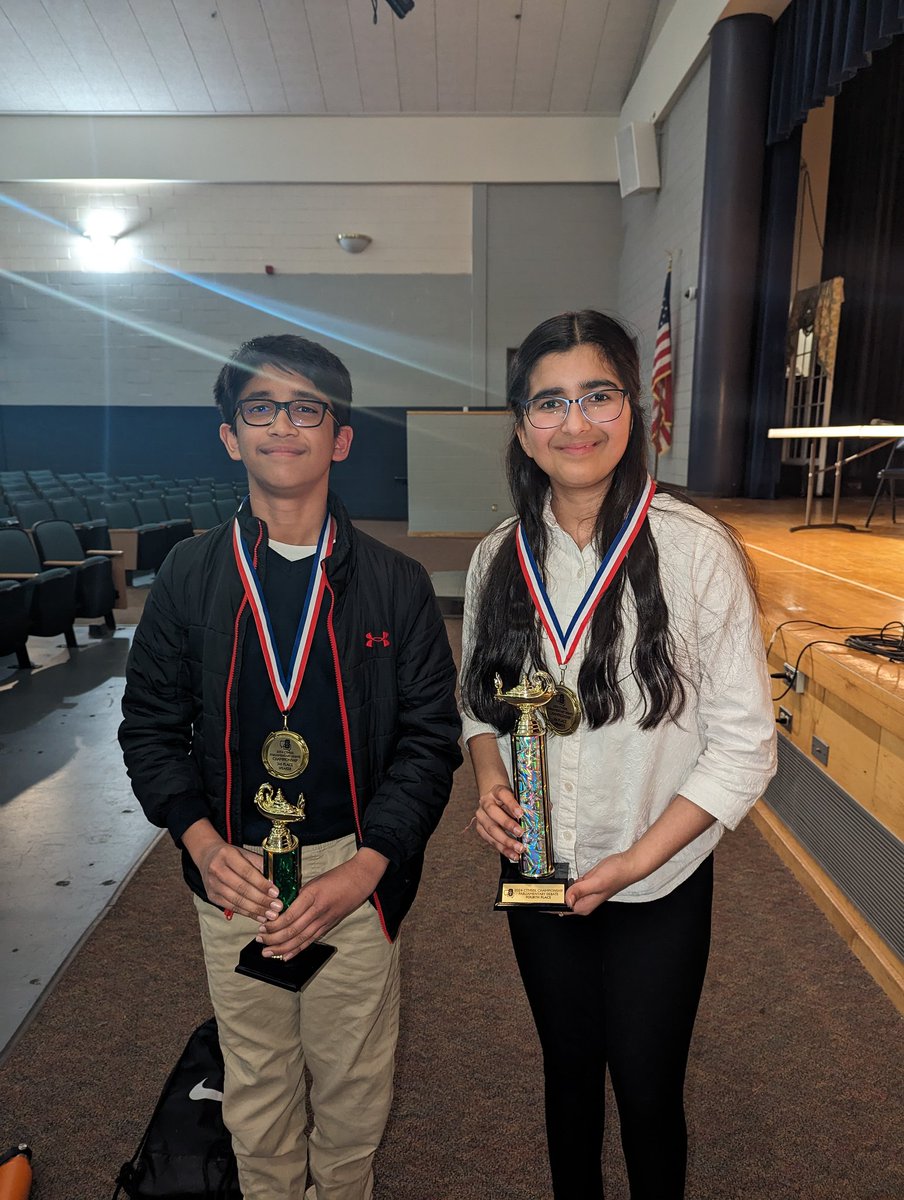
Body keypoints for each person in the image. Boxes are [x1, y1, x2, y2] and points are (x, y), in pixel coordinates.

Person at [119, 333, 462, 1200]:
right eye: (261, 408)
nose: (284, 425)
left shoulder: (396, 583)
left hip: (354, 870)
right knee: (259, 1086)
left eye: (306, 408)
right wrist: (203, 848)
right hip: (233, 873)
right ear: (231, 435)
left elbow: (430, 740)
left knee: (352, 1092)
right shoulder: (191, 577)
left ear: (340, 437)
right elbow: (149, 732)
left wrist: (370, 867)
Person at [460, 310, 776, 1200]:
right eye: (550, 402)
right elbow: (476, 705)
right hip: (538, 869)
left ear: (632, 408)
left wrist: (635, 861)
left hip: (655, 879)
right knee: (566, 1078)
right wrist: (489, 777)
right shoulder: (496, 558)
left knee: (646, 1092)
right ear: (524, 426)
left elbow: (747, 746)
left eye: (596, 395)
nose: (576, 422)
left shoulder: (694, 548)